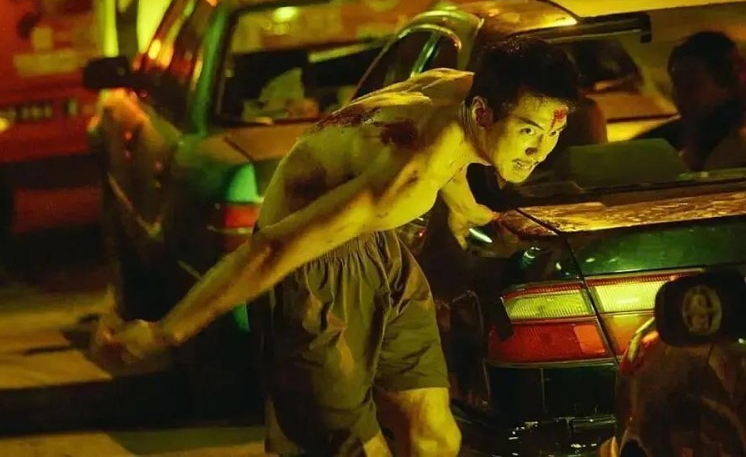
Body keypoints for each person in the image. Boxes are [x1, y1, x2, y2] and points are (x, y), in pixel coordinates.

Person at [106, 36, 582, 455]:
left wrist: (468, 210)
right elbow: (271, 249)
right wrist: (166, 332)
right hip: (308, 268)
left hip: (377, 248)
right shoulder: (408, 176)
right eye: (528, 131)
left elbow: (454, 152)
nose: (539, 152)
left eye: (554, 133)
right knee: (354, 449)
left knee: (435, 438)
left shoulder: (458, 88)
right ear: (482, 112)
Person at [641, 31, 746, 170]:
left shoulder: (738, 148)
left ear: (727, 82)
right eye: (677, 84)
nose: (680, 95)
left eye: (692, 83)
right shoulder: (678, 144)